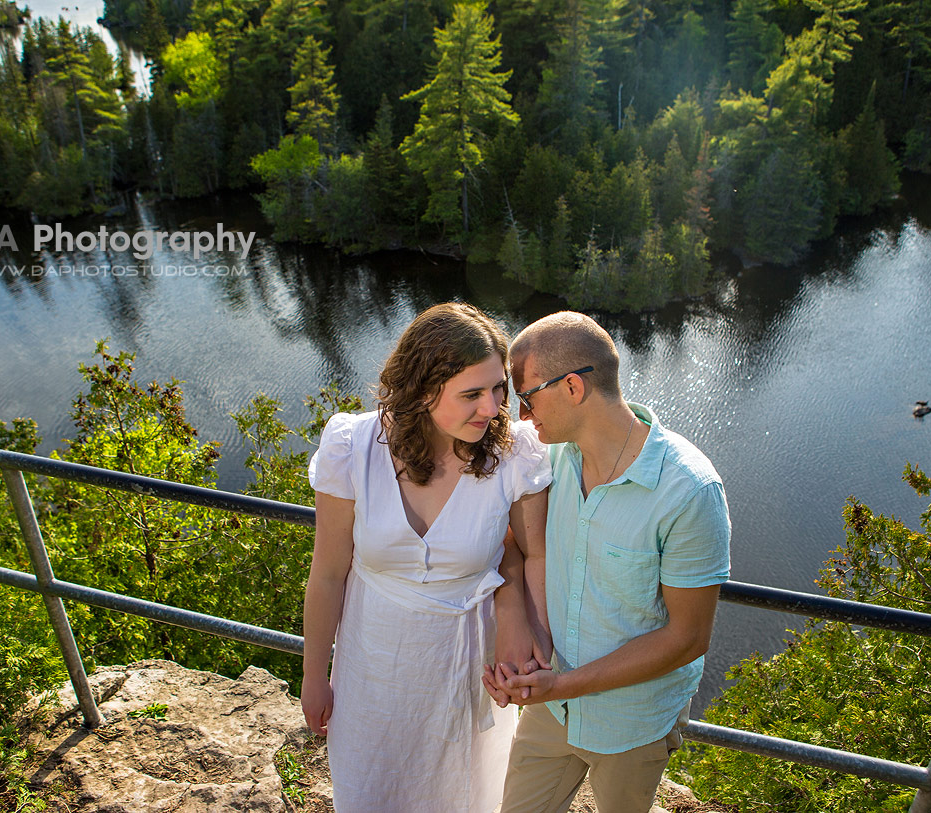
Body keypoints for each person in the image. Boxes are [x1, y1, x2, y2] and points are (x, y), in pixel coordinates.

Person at [303, 302, 551, 813]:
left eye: (498, 388)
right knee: (373, 790)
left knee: (463, 793)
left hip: (466, 668)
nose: (493, 408)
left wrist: (535, 643)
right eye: (472, 394)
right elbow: (327, 574)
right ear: (422, 390)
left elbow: (534, 558)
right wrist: (313, 676)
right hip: (373, 664)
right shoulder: (353, 447)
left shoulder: (514, 454)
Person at [486, 310, 731, 813]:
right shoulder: (547, 458)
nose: (522, 418)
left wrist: (560, 684)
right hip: (550, 708)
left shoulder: (688, 490)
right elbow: (509, 543)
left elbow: (687, 638)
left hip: (631, 723)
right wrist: (521, 633)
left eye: (527, 398)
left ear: (572, 387)